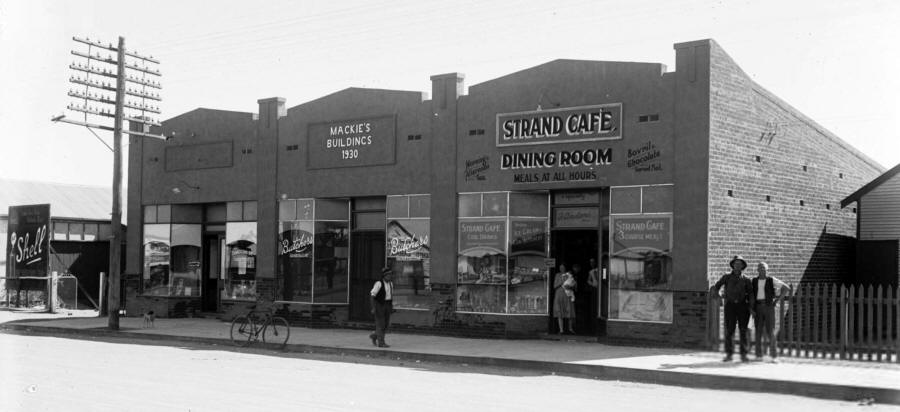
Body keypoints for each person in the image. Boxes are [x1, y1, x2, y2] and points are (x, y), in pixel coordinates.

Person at [711, 255, 752, 362]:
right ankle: (729, 354)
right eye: (736, 263)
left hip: (743, 306)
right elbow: (716, 287)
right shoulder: (727, 277)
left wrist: (751, 307)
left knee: (743, 330)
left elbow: (751, 294)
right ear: (732, 265)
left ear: (743, 266)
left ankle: (744, 354)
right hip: (730, 306)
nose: (737, 265)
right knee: (730, 330)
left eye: (740, 264)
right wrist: (719, 296)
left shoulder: (747, 279)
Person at [751, 261, 789, 362]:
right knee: (758, 331)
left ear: (767, 270)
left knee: (770, 331)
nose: (762, 269)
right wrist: (751, 309)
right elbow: (750, 296)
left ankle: (774, 356)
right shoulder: (754, 281)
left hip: (768, 307)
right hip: (757, 307)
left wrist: (777, 300)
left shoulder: (771, 280)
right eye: (760, 268)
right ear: (757, 270)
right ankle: (758, 356)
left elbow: (786, 288)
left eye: (764, 268)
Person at [368, 266, 394, 348]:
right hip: (379, 305)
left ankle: (374, 335)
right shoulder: (378, 283)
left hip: (387, 305)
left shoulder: (391, 284)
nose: (390, 276)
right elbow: (372, 296)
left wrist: (391, 307)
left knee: (386, 325)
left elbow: (390, 296)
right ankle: (381, 343)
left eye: (390, 275)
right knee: (381, 324)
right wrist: (373, 307)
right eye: (388, 275)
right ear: (384, 276)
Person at [552, 264, 576, 334]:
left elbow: (574, 285)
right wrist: (561, 282)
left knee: (569, 311)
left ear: (565, 268)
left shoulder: (569, 275)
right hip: (559, 294)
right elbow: (554, 286)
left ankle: (570, 329)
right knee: (559, 311)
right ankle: (561, 330)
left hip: (567, 294)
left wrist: (571, 286)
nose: (562, 269)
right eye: (560, 267)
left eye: (563, 267)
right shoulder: (557, 275)